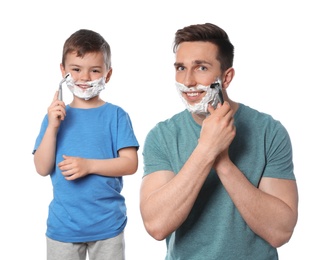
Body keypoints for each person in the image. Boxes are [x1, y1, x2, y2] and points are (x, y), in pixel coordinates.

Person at [139, 23, 298, 260]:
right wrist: (206, 150)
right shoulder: (162, 136)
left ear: (226, 77)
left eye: (201, 67)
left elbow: (280, 232)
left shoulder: (269, 131)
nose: (188, 81)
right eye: (180, 68)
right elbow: (156, 225)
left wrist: (222, 162)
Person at [33, 29, 139, 260]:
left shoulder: (116, 116)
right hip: (63, 227)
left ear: (107, 74)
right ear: (63, 71)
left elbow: (130, 164)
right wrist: (52, 127)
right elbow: (41, 168)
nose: (84, 78)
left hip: (107, 225)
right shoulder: (54, 117)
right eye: (76, 69)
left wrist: (89, 165)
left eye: (95, 70)